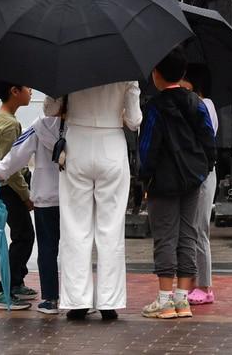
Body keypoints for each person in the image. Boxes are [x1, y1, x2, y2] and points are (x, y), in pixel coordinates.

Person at [138, 47, 216, 319]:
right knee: (188, 236)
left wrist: (144, 179)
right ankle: (182, 301)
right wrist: (202, 170)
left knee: (164, 238)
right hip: (192, 181)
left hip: (162, 183)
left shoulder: (154, 107)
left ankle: (164, 300)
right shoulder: (196, 103)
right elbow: (209, 141)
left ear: (156, 74)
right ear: (183, 73)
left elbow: (147, 148)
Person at [60, 77, 142, 321]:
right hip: (112, 145)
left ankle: (77, 301)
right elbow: (134, 121)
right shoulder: (126, 70)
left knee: (75, 227)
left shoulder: (68, 65)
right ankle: (109, 301)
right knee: (111, 228)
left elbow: (50, 110)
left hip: (77, 144)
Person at [0, 93, 66, 315]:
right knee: (75, 248)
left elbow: (17, 154)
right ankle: (76, 299)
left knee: (47, 249)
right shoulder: (79, 128)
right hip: (74, 197)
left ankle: (51, 299)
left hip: (45, 197)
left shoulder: (38, 127)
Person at [0, 80, 36, 310]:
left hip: (4, 186)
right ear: (14, 91)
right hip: (8, 187)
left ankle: (15, 282)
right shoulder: (9, 125)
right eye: (27, 87)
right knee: (24, 236)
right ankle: (4, 289)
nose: (31, 91)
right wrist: (26, 195)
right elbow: (10, 165)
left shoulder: (2, 118)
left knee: (22, 235)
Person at [182, 67, 218, 306]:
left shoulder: (204, 106)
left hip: (203, 174)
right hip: (198, 173)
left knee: (199, 229)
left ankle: (204, 286)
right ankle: (195, 283)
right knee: (193, 229)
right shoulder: (201, 105)